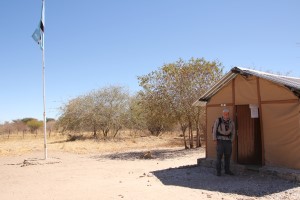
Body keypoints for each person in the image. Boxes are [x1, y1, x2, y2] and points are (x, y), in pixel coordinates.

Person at [212, 108, 235, 176]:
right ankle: (218, 171)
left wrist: (232, 140)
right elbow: (214, 129)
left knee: (228, 157)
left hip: (228, 141)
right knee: (219, 156)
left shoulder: (231, 122)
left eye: (227, 114)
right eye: (224, 114)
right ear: (222, 114)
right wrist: (214, 139)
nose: (226, 115)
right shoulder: (218, 120)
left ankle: (227, 170)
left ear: (228, 114)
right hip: (220, 140)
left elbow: (233, 131)